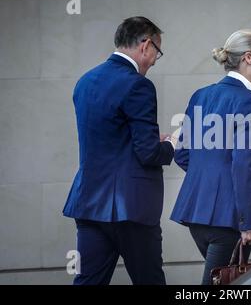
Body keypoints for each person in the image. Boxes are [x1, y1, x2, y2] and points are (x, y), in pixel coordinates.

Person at [63, 16, 174, 285]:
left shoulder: (85, 81)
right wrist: (171, 145)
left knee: (88, 282)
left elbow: (111, 138)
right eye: (157, 52)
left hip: (89, 203)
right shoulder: (139, 84)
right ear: (146, 45)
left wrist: (149, 139)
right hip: (131, 207)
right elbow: (148, 153)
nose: (155, 60)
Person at [170, 29, 251, 285]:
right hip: (229, 219)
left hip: (197, 214)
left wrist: (209, 180)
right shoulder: (250, 100)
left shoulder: (201, 95)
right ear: (248, 58)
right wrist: (248, 223)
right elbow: (244, 163)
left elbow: (182, 152)